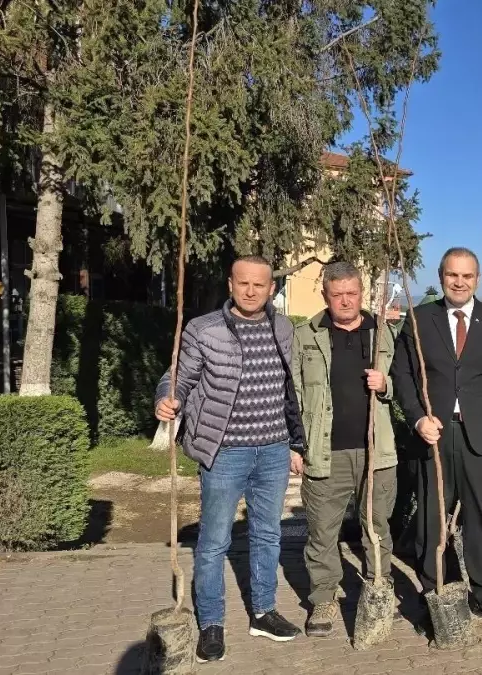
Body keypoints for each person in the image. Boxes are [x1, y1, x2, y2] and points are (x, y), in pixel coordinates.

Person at [154, 255, 305, 662]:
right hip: (224, 454)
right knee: (214, 542)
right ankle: (212, 623)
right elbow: (177, 377)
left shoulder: (283, 327)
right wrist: (167, 400)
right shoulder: (203, 329)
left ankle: (263, 611)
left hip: (273, 451)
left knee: (267, 535)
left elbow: (291, 390)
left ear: (272, 287)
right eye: (244, 284)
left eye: (260, 284)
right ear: (231, 284)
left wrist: (296, 443)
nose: (251, 291)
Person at [389, 247, 482, 629]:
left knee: (481, 518)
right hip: (435, 435)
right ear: (442, 276)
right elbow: (403, 377)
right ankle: (437, 593)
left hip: (481, 439)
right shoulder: (419, 320)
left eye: (466, 276)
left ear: (477, 279)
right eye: (452, 275)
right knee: (432, 519)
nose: (459, 282)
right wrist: (416, 420)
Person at [291, 262, 398, 638]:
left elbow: (408, 388)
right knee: (322, 530)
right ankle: (323, 597)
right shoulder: (305, 334)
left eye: (351, 293)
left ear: (362, 292)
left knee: (377, 527)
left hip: (376, 452)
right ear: (325, 295)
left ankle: (378, 589)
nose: (345, 301)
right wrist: (295, 444)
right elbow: (294, 393)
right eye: (337, 294)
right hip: (324, 452)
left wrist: (385, 384)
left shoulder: (383, 333)